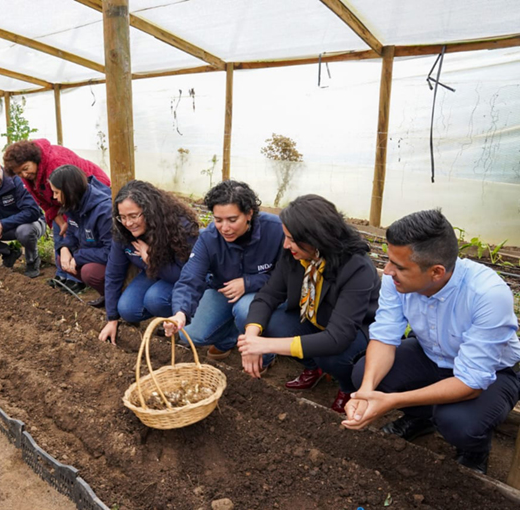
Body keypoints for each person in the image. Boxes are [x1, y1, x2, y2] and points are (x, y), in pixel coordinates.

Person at [342, 209, 520, 474]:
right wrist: (367, 391)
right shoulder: (396, 279)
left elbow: (471, 382)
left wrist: (392, 401)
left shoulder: (487, 295)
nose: (387, 271)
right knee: (363, 372)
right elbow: (384, 336)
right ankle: (420, 418)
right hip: (431, 353)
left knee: (458, 423)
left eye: (399, 266)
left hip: (494, 372)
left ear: (436, 272)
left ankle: (474, 450)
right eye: (389, 261)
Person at [237, 195, 381, 412]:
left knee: (331, 354)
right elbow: (267, 295)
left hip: (354, 332)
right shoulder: (294, 254)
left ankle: (347, 387)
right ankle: (313, 368)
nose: (286, 245)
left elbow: (338, 337)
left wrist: (265, 346)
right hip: (316, 318)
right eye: (286, 237)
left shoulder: (356, 267)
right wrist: (251, 340)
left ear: (317, 239)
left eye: (292, 239)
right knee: (270, 322)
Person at [164, 180, 284, 363]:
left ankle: (265, 356)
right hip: (225, 292)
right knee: (191, 333)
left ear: (249, 213)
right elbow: (190, 278)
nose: (224, 228)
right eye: (218, 220)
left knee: (245, 310)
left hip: (266, 293)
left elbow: (287, 277)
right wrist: (180, 312)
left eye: (232, 220)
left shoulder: (276, 230)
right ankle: (231, 338)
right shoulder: (209, 238)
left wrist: (249, 282)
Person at [98, 180, 200, 345]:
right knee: (127, 309)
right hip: (155, 273)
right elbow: (114, 272)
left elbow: (188, 276)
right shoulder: (124, 231)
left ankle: (184, 324)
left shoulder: (179, 227)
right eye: (122, 217)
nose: (128, 223)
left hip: (181, 279)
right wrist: (112, 318)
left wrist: (151, 260)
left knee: (155, 299)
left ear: (149, 211)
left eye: (133, 216)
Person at [3, 139, 111, 292]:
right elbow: (43, 202)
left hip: (85, 190)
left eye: (25, 169)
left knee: (79, 234)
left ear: (34, 159)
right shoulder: (28, 176)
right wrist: (60, 222)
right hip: (62, 199)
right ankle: (63, 274)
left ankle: (76, 278)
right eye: (19, 173)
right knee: (60, 232)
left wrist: (68, 222)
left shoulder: (55, 162)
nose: (24, 174)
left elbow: (70, 193)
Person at [50, 164, 112, 307]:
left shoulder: (104, 211)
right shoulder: (75, 203)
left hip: (113, 261)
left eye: (57, 192)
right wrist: (64, 247)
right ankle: (106, 295)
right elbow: (72, 232)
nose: (54, 197)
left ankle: (117, 298)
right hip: (92, 252)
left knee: (90, 273)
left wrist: (78, 257)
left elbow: (111, 251)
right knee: (62, 259)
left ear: (69, 190)